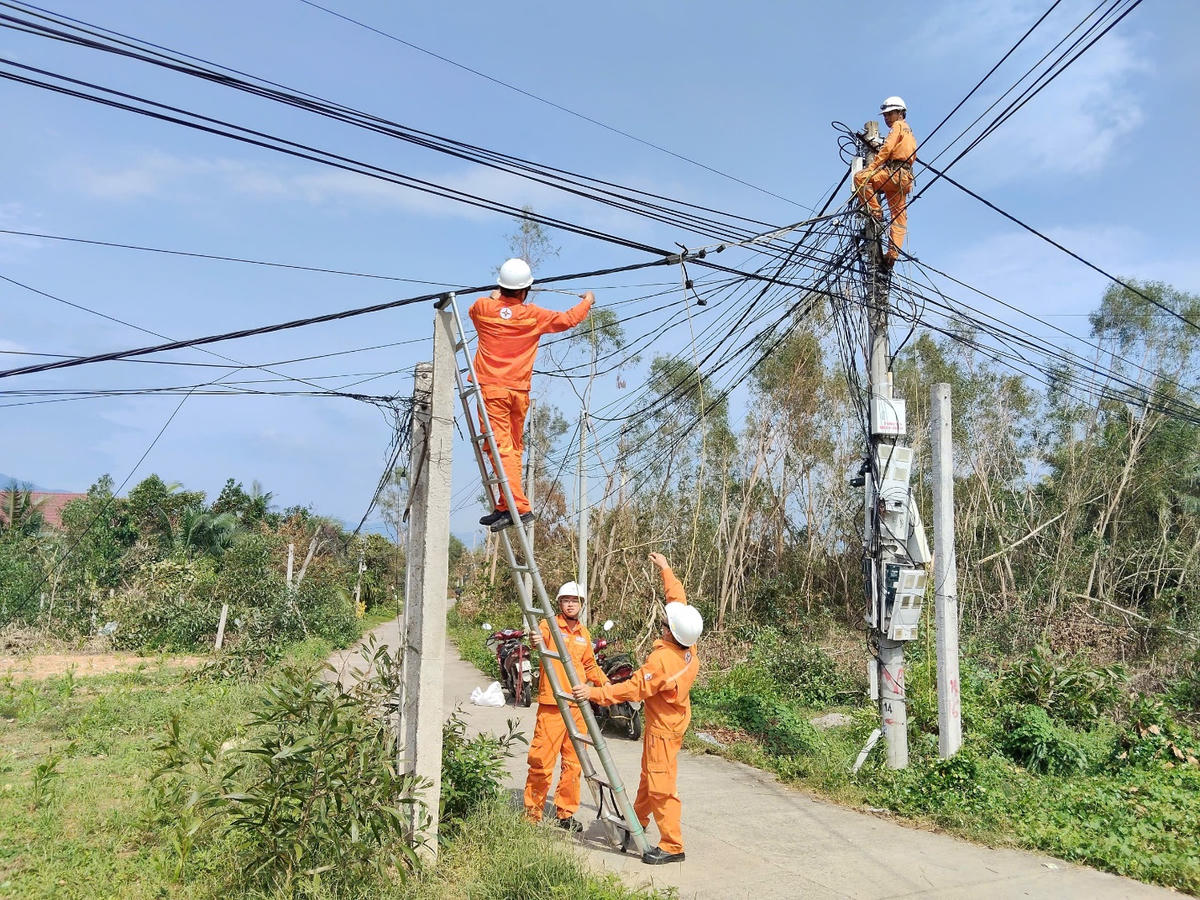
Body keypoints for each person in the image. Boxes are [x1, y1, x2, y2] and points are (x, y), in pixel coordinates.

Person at [573, 552, 703, 865]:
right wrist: (666, 570)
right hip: (673, 722)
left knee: (660, 785)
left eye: (664, 625)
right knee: (650, 776)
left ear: (671, 633)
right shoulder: (689, 644)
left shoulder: (661, 662)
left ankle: (673, 845)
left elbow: (632, 688)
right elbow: (678, 601)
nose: (662, 625)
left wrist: (595, 692)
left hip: (662, 729)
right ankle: (639, 821)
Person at [471, 258, 594, 532]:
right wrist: (587, 300)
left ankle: (520, 508)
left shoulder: (483, 308)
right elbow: (569, 319)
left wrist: (495, 300)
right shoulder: (533, 316)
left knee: (499, 448)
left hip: (493, 391)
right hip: (518, 392)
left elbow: (478, 310)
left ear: (500, 286)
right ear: (525, 290)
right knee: (512, 449)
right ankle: (506, 505)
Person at [524, 581, 609, 831]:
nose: (570, 604)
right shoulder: (548, 626)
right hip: (553, 705)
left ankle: (565, 814)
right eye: (566, 600)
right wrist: (535, 640)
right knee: (541, 761)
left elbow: (591, 666)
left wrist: (608, 688)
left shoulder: (584, 634)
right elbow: (538, 641)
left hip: (577, 707)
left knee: (574, 764)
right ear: (559, 603)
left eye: (575, 600)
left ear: (581, 604)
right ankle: (532, 815)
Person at [852, 95, 917, 267]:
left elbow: (887, 149)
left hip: (894, 174)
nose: (887, 118)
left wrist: (872, 167)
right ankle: (892, 255)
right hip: (905, 178)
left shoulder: (898, 126)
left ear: (900, 113)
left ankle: (875, 212)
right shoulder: (909, 132)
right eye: (886, 115)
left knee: (860, 178)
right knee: (899, 218)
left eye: (890, 114)